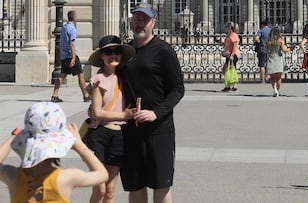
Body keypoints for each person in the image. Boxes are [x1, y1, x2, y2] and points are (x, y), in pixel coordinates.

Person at [118, 2, 185, 203]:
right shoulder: (126, 51)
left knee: (161, 185)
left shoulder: (163, 50)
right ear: (131, 22)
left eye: (144, 20)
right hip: (131, 129)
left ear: (153, 23)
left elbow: (177, 89)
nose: (140, 24)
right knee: (135, 185)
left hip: (159, 129)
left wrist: (156, 112)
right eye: (137, 19)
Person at [0, 102, 108, 202]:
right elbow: (102, 174)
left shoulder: (12, 176)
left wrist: (14, 136)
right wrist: (80, 146)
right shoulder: (66, 178)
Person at [84, 35, 136, 203]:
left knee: (110, 191)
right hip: (99, 135)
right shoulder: (99, 80)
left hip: (118, 136)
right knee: (99, 188)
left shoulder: (125, 78)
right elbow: (98, 113)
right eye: (108, 52)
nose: (113, 55)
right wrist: (124, 115)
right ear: (101, 56)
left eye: (117, 51)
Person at [51, 10, 90, 103]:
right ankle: (86, 95)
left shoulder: (64, 27)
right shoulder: (72, 29)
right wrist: (73, 57)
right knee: (80, 75)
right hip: (71, 55)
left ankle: (54, 95)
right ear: (74, 18)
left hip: (64, 55)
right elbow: (71, 43)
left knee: (62, 75)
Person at [265, 28, 294, 97]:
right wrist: (290, 49)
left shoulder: (268, 41)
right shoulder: (280, 41)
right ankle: (277, 90)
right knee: (278, 77)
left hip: (271, 58)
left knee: (272, 77)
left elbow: (266, 51)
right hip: (278, 59)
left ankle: (275, 90)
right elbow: (284, 50)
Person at [221, 21, 240, 92]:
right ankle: (230, 85)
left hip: (233, 55)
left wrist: (232, 55)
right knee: (227, 70)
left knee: (229, 70)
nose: (225, 29)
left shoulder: (233, 35)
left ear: (229, 28)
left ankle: (231, 86)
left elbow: (235, 46)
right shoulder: (229, 35)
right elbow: (228, 45)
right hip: (229, 54)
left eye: (226, 27)